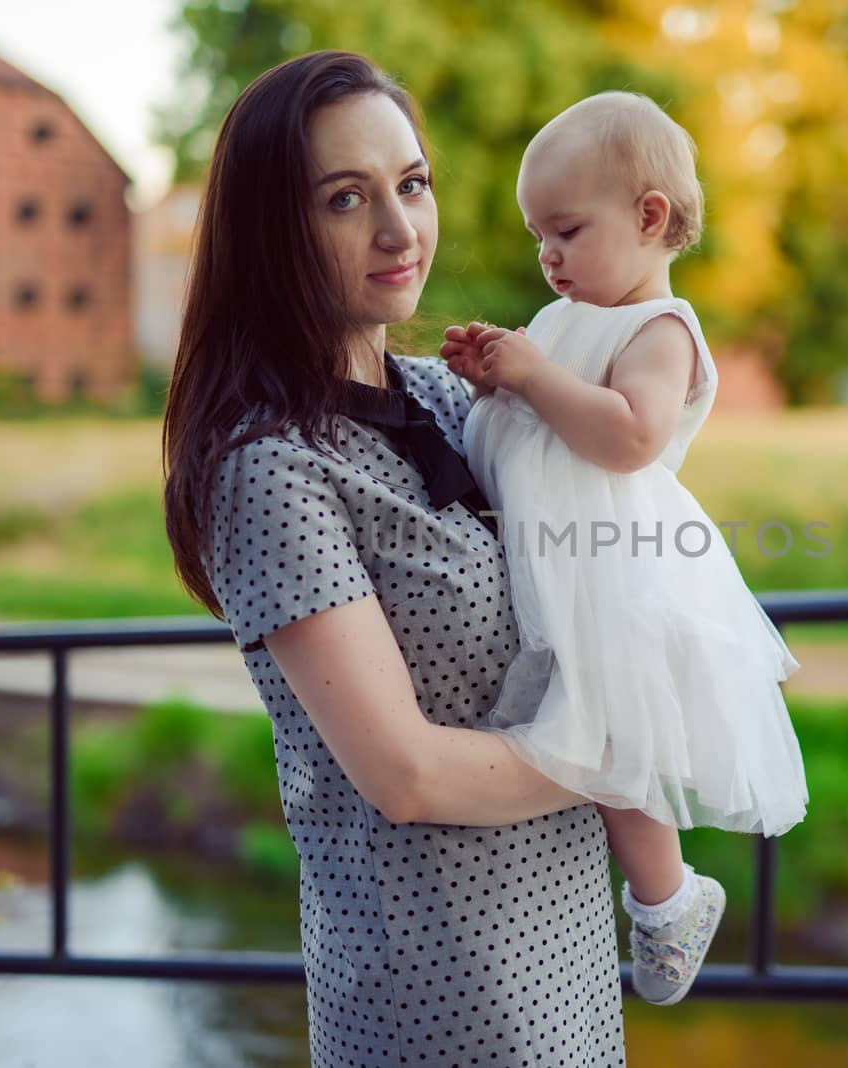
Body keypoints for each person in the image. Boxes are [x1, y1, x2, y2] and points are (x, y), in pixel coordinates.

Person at [161, 53, 626, 1066]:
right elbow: (405, 774)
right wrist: (623, 750)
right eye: (345, 198)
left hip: (571, 949)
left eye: (411, 185)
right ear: (271, 230)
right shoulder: (269, 469)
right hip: (436, 995)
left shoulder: (458, 398)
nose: (397, 229)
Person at [441, 91, 809, 1007]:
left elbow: (629, 437)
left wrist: (531, 371)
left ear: (649, 218)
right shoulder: (566, 319)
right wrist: (496, 378)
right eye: (538, 237)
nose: (548, 255)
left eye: (566, 229)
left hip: (614, 565)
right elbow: (533, 427)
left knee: (614, 739)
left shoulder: (659, 331)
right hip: (548, 558)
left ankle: (668, 900)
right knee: (569, 725)